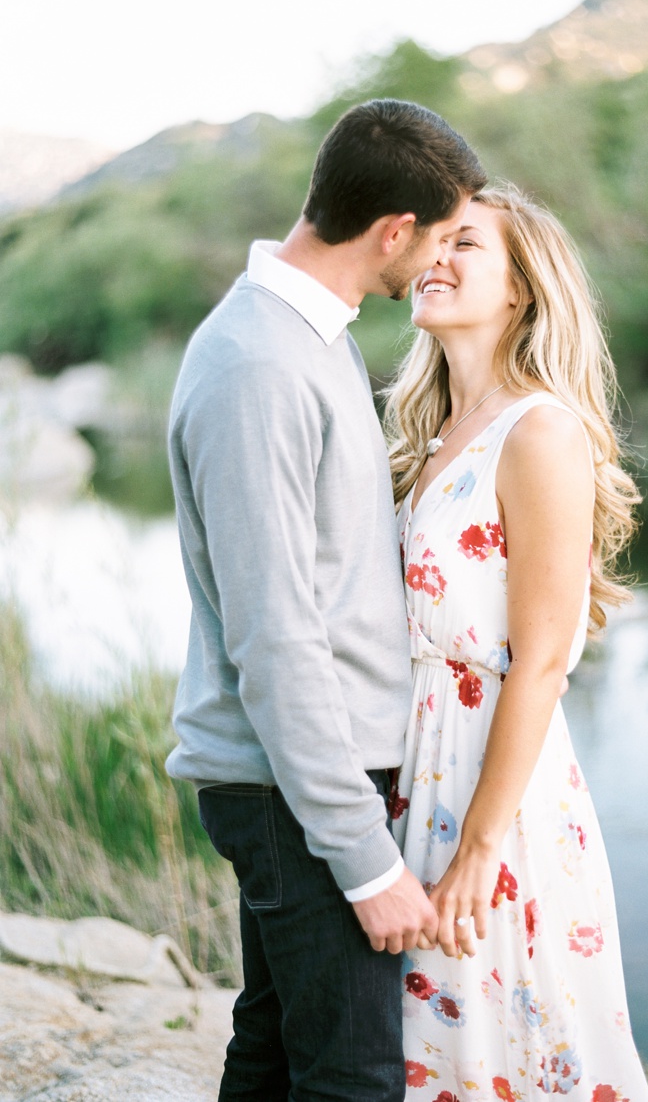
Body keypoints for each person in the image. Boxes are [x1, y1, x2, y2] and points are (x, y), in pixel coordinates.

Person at [165, 98, 486, 1102]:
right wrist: (363, 858)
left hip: (299, 780)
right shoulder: (260, 364)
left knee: (273, 1044)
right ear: (393, 230)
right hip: (291, 791)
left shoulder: (310, 336)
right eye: (436, 240)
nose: (434, 265)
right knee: (351, 1079)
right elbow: (275, 637)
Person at [383, 186, 648, 1100]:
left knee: (509, 1037)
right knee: (427, 1047)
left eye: (467, 245)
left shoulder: (539, 431)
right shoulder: (427, 435)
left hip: (491, 793)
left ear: (522, 292)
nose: (436, 257)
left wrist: (479, 848)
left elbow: (540, 661)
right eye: (431, 240)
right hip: (411, 775)